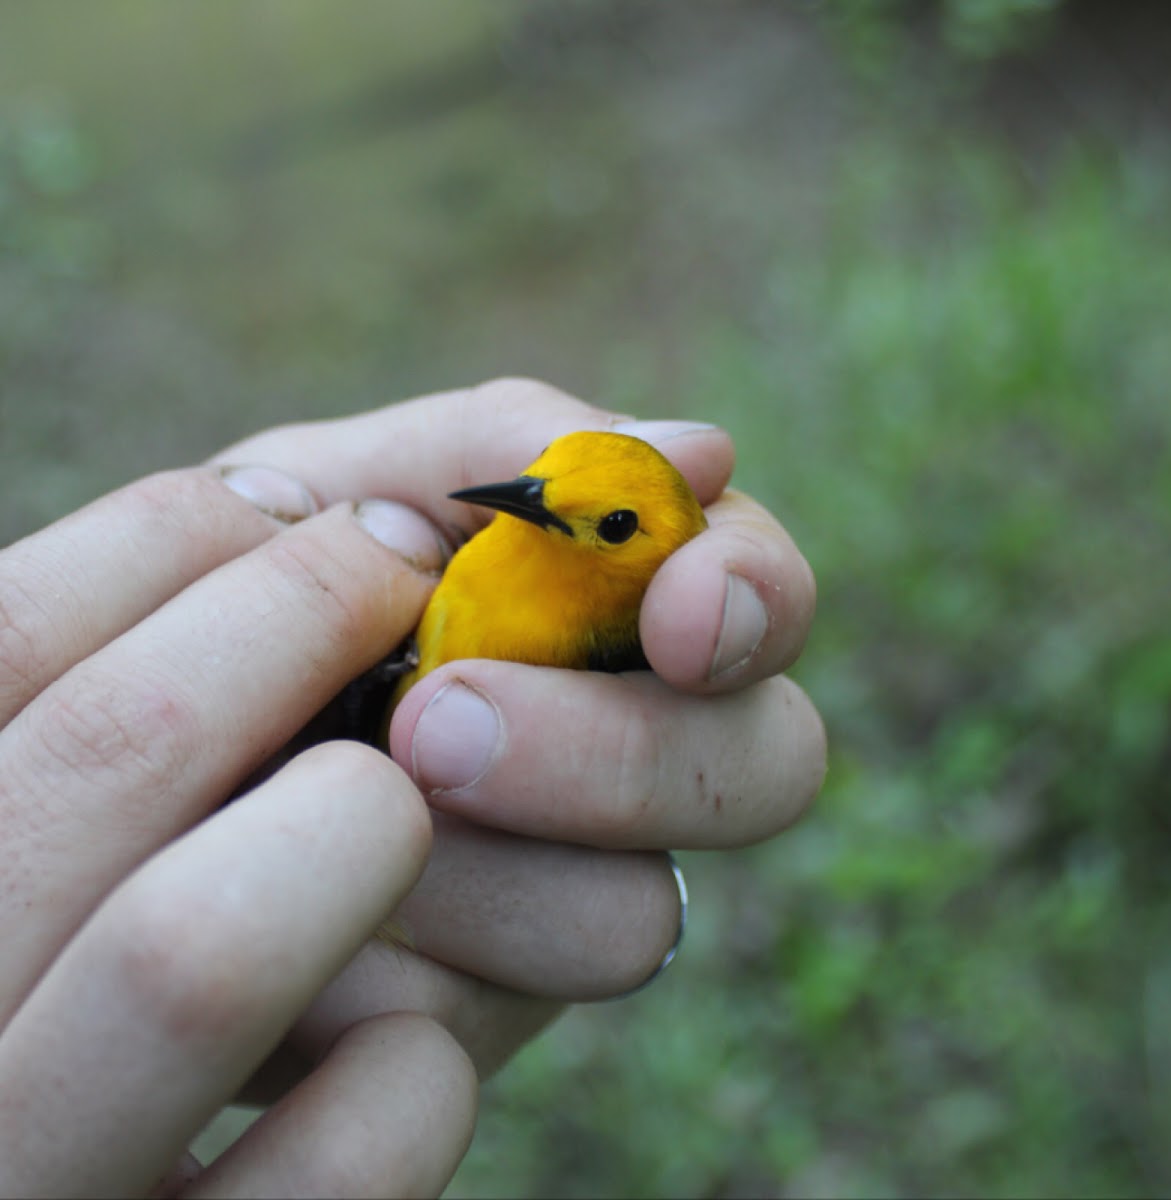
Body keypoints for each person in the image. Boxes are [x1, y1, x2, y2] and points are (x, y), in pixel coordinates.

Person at [0, 378, 826, 1198]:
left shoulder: (609, 636)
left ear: (643, 563)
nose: (532, 500)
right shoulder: (504, 535)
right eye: (541, 472)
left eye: (613, 526)